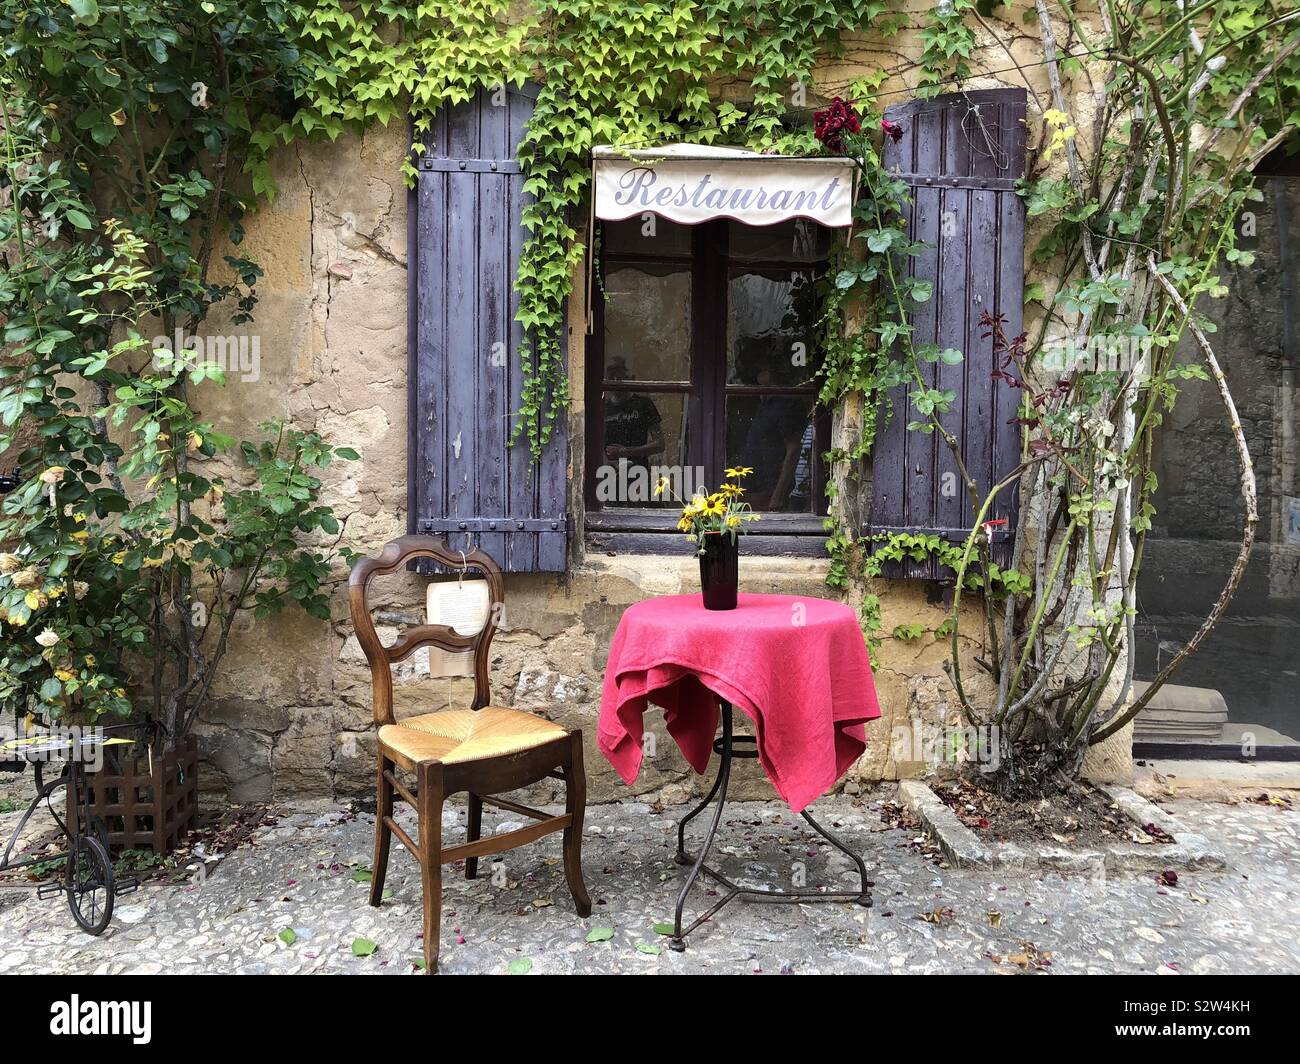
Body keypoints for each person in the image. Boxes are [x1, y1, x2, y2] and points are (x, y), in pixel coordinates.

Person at [603, 357, 664, 475]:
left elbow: (660, 444)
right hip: (608, 475)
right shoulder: (603, 408)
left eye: (620, 378)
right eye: (612, 378)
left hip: (638, 473)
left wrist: (626, 451)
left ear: (631, 379)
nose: (616, 383)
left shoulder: (644, 404)